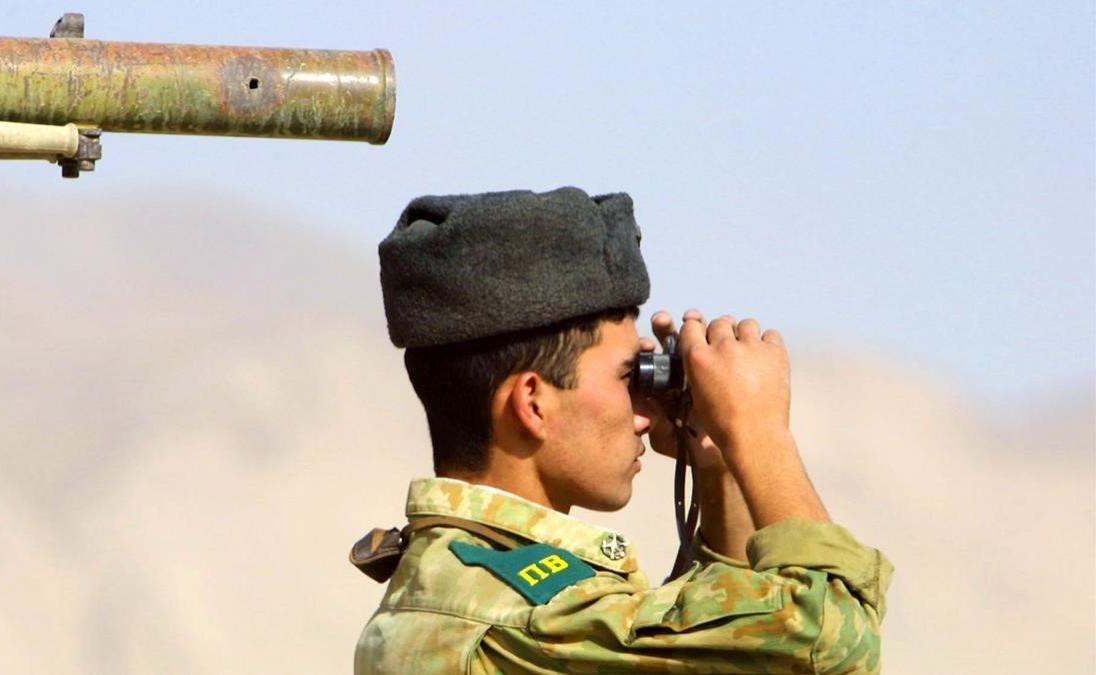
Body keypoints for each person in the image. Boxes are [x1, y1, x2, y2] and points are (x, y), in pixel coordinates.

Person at [351, 187, 892, 673]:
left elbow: (729, 654)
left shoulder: (471, 583)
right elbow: (829, 643)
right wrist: (758, 433)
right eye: (626, 378)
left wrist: (716, 461)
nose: (645, 413)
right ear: (532, 403)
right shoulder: (522, 615)